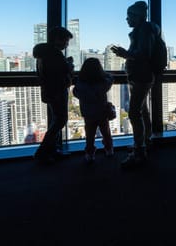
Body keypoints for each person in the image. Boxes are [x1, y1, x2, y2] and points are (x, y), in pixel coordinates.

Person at [111, 0, 160, 168]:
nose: (126, 19)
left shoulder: (144, 31)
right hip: (141, 76)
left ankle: (139, 151)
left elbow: (143, 54)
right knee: (142, 109)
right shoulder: (144, 30)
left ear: (137, 17)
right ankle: (145, 140)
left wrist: (125, 54)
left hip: (141, 76)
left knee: (134, 113)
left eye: (129, 16)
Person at [32, 26, 74, 164]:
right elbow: (61, 72)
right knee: (60, 120)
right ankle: (43, 152)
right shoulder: (54, 54)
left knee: (57, 120)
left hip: (50, 91)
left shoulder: (43, 54)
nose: (66, 44)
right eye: (66, 41)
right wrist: (69, 65)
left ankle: (51, 150)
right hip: (57, 91)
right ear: (57, 39)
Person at [72, 57, 114, 163]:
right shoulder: (102, 83)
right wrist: (103, 74)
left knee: (89, 135)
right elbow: (111, 78)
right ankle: (109, 150)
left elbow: (76, 93)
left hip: (88, 113)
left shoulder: (80, 84)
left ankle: (89, 154)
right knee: (106, 132)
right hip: (102, 112)